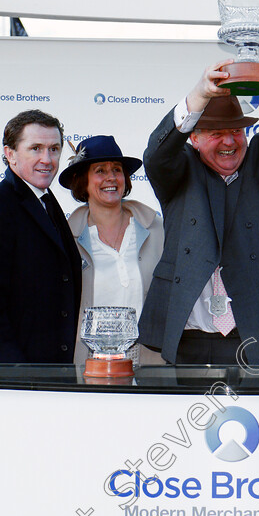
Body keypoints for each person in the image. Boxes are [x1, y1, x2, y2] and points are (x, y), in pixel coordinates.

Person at [139, 59, 259, 367]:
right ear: (194, 138)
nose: (229, 141)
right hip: (192, 340)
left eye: (236, 131)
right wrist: (199, 95)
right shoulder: (178, 170)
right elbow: (157, 154)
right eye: (216, 133)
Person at [0, 109, 82, 364]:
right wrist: (14, 371)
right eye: (35, 148)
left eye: (54, 149)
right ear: (11, 154)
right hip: (10, 379)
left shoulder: (47, 202)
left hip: (47, 372)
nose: (47, 159)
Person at [58, 135, 165, 366]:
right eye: (100, 171)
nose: (111, 178)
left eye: (117, 170)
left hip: (150, 358)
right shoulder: (66, 239)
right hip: (89, 362)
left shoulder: (157, 229)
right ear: (82, 181)